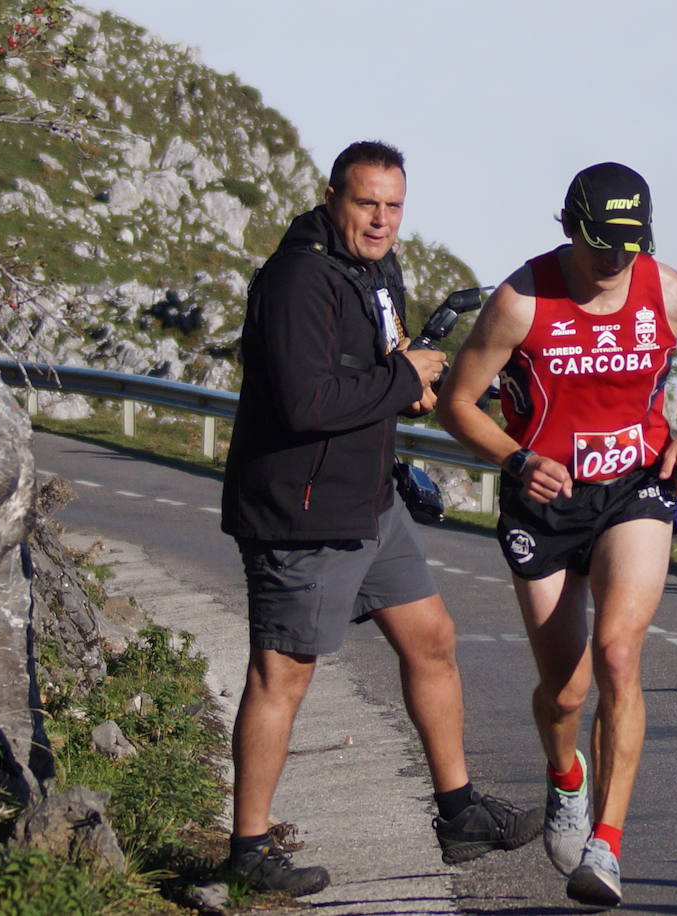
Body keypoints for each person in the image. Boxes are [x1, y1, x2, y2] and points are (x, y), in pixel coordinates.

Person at [219, 141, 542, 896]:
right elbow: (307, 402)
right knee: (282, 674)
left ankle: (460, 813)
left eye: (394, 206)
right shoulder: (300, 278)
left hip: (370, 499)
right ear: (332, 196)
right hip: (301, 512)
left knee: (432, 639)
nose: (382, 219)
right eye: (367, 203)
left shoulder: (374, 268)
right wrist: (402, 378)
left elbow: (381, 360)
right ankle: (248, 851)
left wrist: (411, 376)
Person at [437, 162, 677, 908]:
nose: (615, 263)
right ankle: (566, 774)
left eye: (630, 246)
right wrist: (516, 458)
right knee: (565, 692)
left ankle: (607, 845)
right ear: (568, 226)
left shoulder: (670, 291)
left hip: (634, 489)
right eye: (602, 245)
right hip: (546, 501)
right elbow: (458, 403)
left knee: (619, 654)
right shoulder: (521, 300)